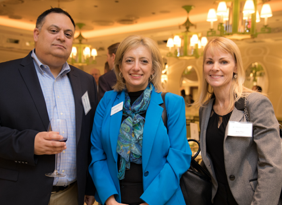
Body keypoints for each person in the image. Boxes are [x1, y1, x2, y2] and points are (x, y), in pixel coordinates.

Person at [0, 8, 96, 205]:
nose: (61, 38)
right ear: (36, 34)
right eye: (54, 30)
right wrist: (29, 143)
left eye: (68, 34)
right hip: (18, 193)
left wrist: (89, 186)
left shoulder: (86, 81)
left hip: (71, 194)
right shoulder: (1, 76)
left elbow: (90, 136)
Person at [89, 35, 191, 205]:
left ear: (153, 69)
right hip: (116, 200)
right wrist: (109, 199)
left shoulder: (172, 103)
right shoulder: (107, 101)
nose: (136, 67)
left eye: (144, 61)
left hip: (162, 200)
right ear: (120, 67)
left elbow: (179, 157)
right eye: (129, 60)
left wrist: (151, 201)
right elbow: (97, 152)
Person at [198, 37, 282, 205]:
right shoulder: (205, 109)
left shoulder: (255, 103)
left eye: (223, 62)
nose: (215, 68)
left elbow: (272, 165)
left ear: (235, 66)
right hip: (217, 199)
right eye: (209, 62)